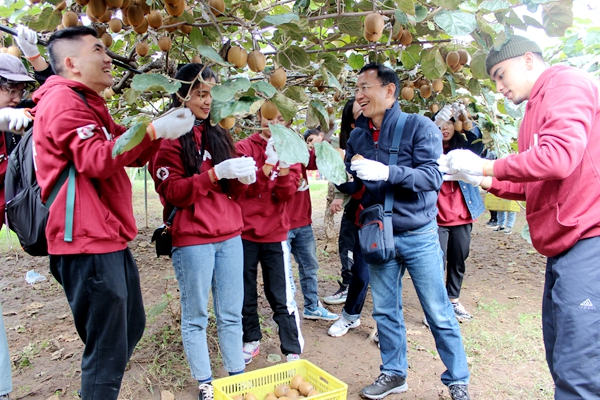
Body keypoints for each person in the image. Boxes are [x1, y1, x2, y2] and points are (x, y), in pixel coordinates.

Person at [31, 26, 195, 399]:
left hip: (106, 236)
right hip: (85, 241)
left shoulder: (89, 103)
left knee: (130, 325)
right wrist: (153, 130)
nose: (109, 59)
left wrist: (159, 131)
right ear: (71, 63)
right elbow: (96, 159)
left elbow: (129, 147)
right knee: (107, 350)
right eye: (99, 50)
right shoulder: (63, 102)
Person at [439, 35, 600, 399]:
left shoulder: (565, 82)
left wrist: (486, 163)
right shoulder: (533, 111)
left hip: (589, 238)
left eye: (500, 74)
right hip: (563, 246)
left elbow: (557, 157)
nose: (499, 88)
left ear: (528, 60)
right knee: (561, 355)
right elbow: (535, 182)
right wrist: (479, 178)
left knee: (579, 369)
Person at [338, 63, 471, 400]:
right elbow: (356, 184)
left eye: (366, 87)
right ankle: (394, 373)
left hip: (417, 234)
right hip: (377, 233)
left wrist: (387, 171)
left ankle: (457, 378)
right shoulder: (358, 135)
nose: (360, 95)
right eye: (357, 89)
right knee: (384, 309)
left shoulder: (419, 127)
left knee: (437, 309)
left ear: (389, 91)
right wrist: (341, 176)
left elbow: (431, 178)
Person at [150, 63, 256, 400]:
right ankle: (206, 383)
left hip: (229, 236)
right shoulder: (169, 140)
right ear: (183, 93)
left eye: (212, 93)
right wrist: (213, 175)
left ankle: (235, 377)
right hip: (193, 238)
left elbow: (234, 193)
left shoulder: (219, 133)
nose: (208, 101)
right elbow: (174, 192)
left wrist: (243, 179)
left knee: (230, 313)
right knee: (196, 315)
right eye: (201, 93)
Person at [0, 27, 54, 399]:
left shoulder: (19, 113)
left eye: (20, 90)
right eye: (10, 89)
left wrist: (36, 59)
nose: (18, 97)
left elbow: (57, 96)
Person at [235, 105, 304, 364]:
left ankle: (292, 348)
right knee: (245, 290)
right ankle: (251, 339)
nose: (275, 123)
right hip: (244, 233)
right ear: (259, 118)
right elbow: (246, 188)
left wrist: (284, 165)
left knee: (280, 293)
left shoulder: (292, 149)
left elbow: (286, 194)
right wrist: (268, 162)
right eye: (269, 118)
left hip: (275, 233)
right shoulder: (243, 147)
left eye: (281, 118)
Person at [434, 112, 485, 321]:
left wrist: (464, 116)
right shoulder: (429, 147)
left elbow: (477, 141)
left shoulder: (464, 148)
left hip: (462, 213)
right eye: (440, 124)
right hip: (436, 215)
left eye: (449, 123)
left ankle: (453, 300)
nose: (444, 128)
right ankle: (436, 307)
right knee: (437, 260)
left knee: (458, 258)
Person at [286, 127, 338, 321]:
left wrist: (322, 142)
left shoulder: (300, 153)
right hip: (279, 226)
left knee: (309, 266)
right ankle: (287, 313)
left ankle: (311, 306)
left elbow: (324, 159)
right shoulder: (271, 155)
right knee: (284, 273)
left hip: (303, 223)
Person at [323, 99, 363, 305]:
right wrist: (340, 195)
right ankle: (348, 285)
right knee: (347, 244)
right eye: (358, 113)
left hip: (371, 203)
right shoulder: (343, 143)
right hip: (353, 204)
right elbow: (341, 173)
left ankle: (361, 284)